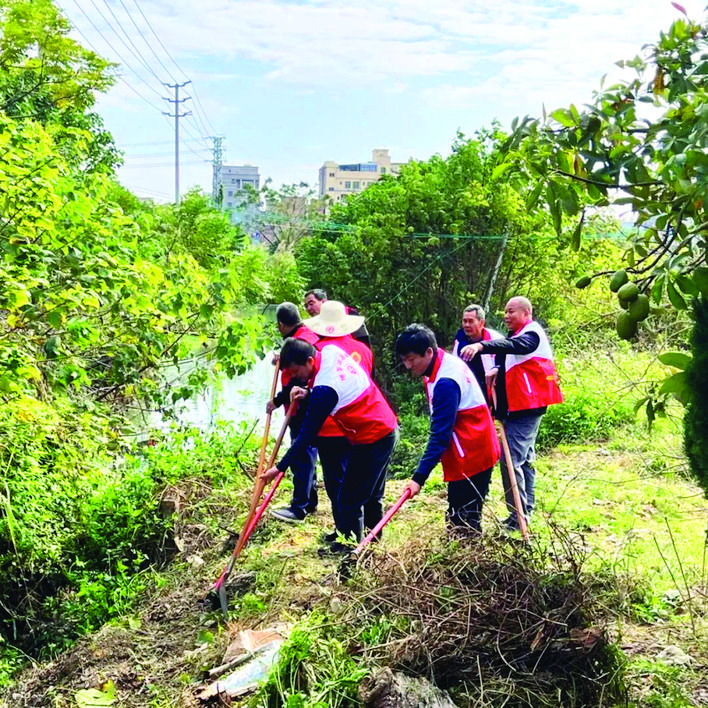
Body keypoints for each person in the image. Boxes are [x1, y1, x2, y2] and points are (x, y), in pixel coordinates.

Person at [260, 336, 398, 552]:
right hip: (385, 424)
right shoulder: (330, 352)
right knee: (370, 496)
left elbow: (305, 436)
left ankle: (350, 553)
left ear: (309, 361)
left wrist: (278, 468)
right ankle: (372, 547)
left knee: (348, 500)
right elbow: (337, 389)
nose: (296, 378)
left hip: (373, 436)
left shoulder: (325, 389)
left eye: (296, 372)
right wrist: (307, 393)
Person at [460, 297, 563, 530]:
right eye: (505, 312)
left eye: (511, 312)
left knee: (511, 461)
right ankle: (525, 511)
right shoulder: (518, 334)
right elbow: (516, 358)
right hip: (518, 406)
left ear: (526, 313)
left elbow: (520, 347)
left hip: (527, 407)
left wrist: (482, 346)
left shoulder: (531, 333)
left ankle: (518, 518)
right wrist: (497, 369)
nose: (506, 316)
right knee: (525, 459)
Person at [396, 324, 500, 532]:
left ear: (428, 352)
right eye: (404, 360)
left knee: (463, 521)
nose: (408, 366)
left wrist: (419, 478)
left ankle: (471, 560)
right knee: (460, 516)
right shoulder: (440, 364)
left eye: (411, 359)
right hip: (469, 447)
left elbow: (440, 435)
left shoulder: (446, 381)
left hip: (472, 452)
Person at [305, 301, 375, 541]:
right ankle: (360, 530)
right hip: (357, 425)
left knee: (336, 483)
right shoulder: (363, 350)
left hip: (329, 427)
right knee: (356, 481)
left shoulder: (319, 351)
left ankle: (344, 532)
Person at [266, 302, 320, 523]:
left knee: (301, 455)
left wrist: (277, 401)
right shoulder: (304, 333)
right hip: (301, 404)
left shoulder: (302, 339)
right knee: (307, 454)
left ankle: (299, 507)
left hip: (301, 406)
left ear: (280, 324)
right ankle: (310, 501)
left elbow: (299, 378)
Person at [451, 304, 502, 402]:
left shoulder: (495, 339)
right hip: (469, 391)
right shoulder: (460, 340)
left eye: (470, 321)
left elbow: (506, 363)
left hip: (493, 390)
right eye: (464, 321)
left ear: (481, 323)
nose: (466, 325)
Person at [303, 288, 372, 349]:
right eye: (306, 306)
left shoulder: (349, 313)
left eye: (311, 304)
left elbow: (364, 342)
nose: (308, 308)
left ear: (323, 302)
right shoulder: (312, 326)